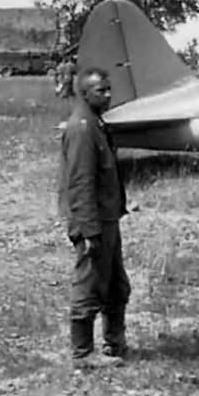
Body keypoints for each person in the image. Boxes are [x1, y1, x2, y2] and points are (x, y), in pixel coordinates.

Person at [57, 67, 132, 369]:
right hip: (93, 222)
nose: (109, 94)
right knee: (88, 285)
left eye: (109, 89)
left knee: (116, 285)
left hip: (106, 218)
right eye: (101, 90)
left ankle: (115, 343)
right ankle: (83, 352)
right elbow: (80, 182)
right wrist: (88, 230)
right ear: (84, 93)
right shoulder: (82, 129)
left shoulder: (96, 124)